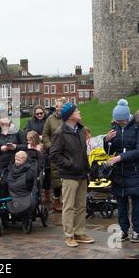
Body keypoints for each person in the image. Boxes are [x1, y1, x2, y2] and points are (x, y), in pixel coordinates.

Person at [50, 103, 94, 248]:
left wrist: (86, 169)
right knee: (69, 206)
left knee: (81, 205)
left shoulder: (80, 130)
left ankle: (79, 232)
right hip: (69, 175)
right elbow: (54, 155)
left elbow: (83, 152)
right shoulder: (59, 133)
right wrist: (70, 164)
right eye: (76, 111)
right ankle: (69, 235)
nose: (79, 112)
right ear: (69, 116)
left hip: (82, 174)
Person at [104, 100, 139, 243]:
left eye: (122, 121)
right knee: (121, 204)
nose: (119, 123)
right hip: (119, 173)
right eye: (117, 121)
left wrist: (120, 157)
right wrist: (107, 140)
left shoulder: (138, 127)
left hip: (135, 171)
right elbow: (109, 150)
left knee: (136, 204)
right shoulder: (114, 126)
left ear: (127, 117)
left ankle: (136, 231)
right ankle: (124, 230)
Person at [42, 99, 67, 212]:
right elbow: (45, 134)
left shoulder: (69, 117)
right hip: (55, 152)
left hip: (68, 151)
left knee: (68, 176)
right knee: (56, 178)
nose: (59, 108)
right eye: (57, 106)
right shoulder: (50, 119)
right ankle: (56, 201)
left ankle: (67, 200)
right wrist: (49, 146)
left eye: (61, 106)